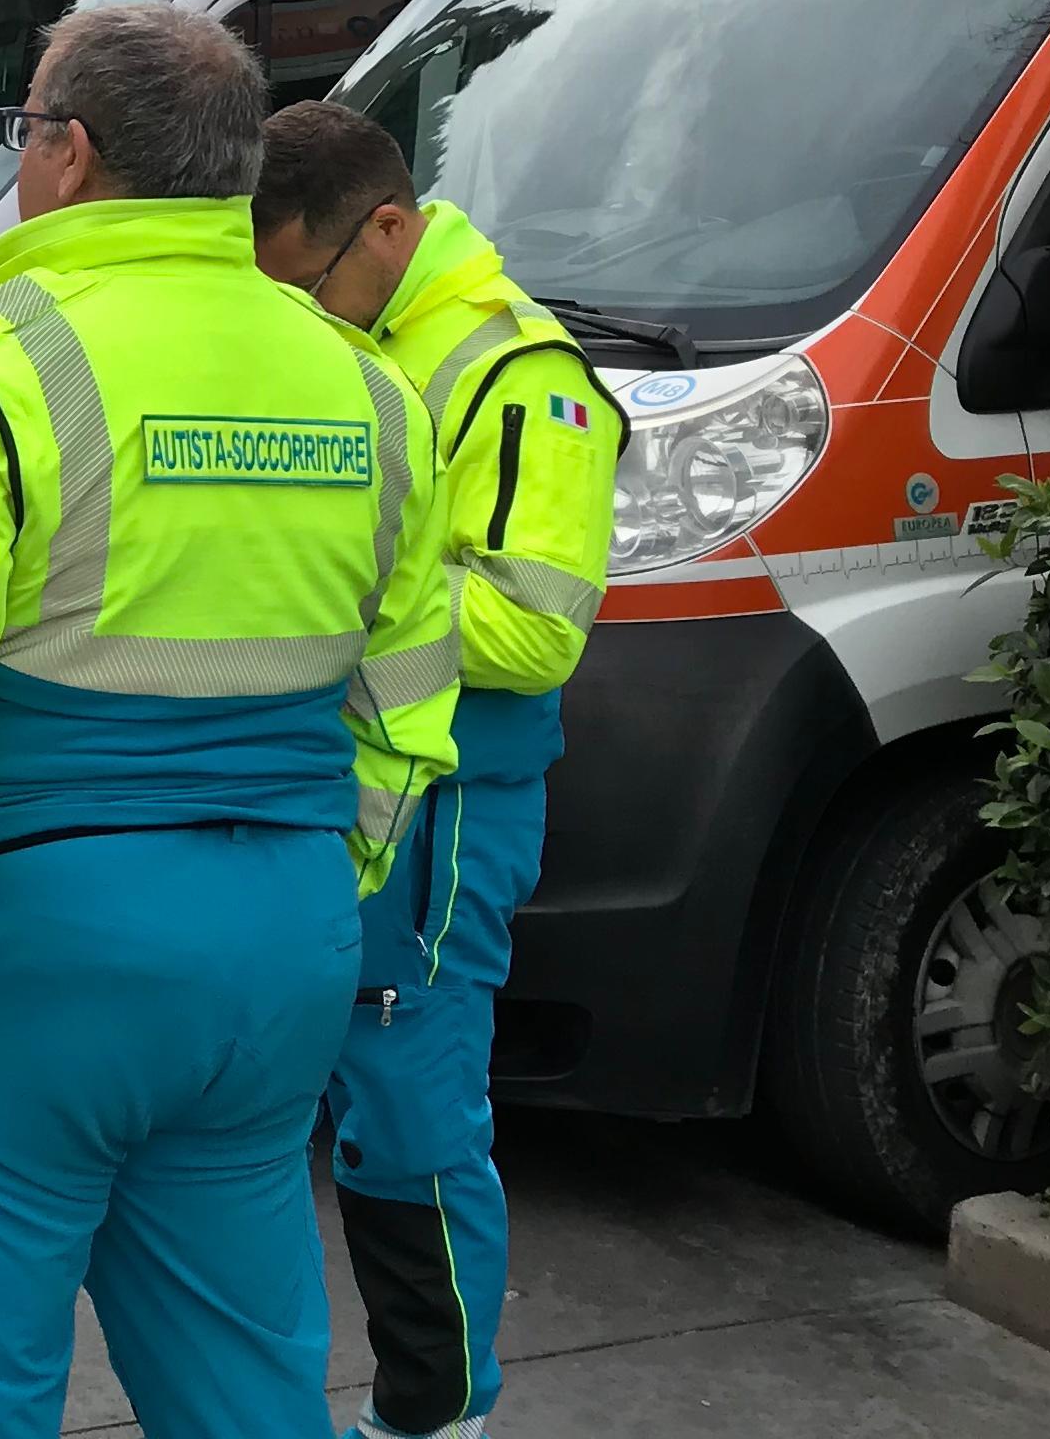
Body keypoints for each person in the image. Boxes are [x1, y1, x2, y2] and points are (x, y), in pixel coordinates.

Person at [0, 5, 462, 1439]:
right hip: (274, 951)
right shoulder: (371, 389)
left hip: (14, 964)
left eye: (25, 128)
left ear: (71, 153)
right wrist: (322, 886)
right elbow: (406, 708)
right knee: (247, 1385)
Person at [251, 100, 622, 1439]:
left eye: (311, 279)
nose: (297, 311)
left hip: (448, 800)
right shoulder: (343, 323)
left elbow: (534, 629)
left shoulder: (528, 377)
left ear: (392, 227)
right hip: (323, 773)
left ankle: (435, 1415)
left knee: (407, 1114)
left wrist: (321, 589)